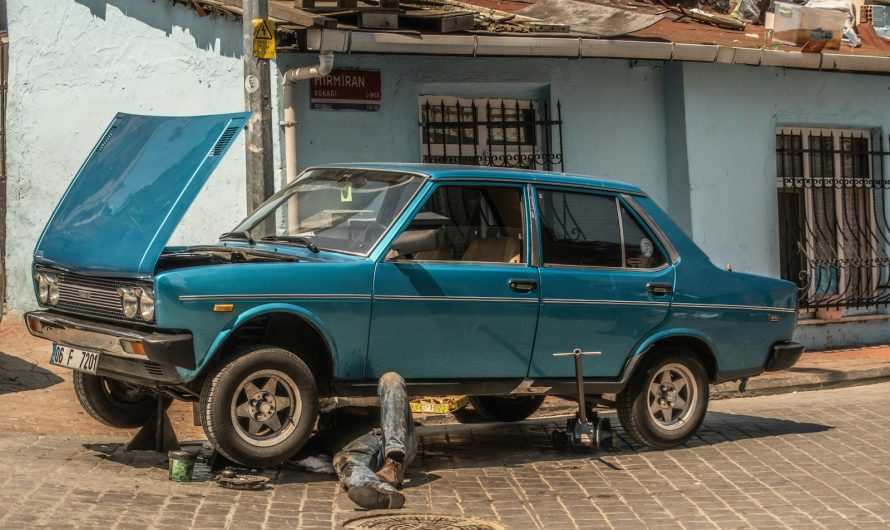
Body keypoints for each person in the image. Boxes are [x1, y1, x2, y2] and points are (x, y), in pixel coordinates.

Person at [306, 372, 417, 510]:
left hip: (394, 434)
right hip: (362, 445)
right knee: (343, 460)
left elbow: (398, 404)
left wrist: (347, 411)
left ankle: (394, 462)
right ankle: (380, 491)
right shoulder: (329, 386)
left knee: (391, 379)